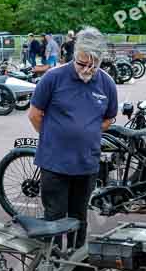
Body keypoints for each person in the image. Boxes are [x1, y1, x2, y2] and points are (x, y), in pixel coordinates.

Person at [28, 26, 118, 249]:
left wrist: (88, 132)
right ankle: (53, 263)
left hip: (86, 164)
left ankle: (76, 264)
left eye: (93, 65)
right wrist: (53, 137)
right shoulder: (53, 78)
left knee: (80, 218)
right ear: (74, 54)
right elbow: (35, 115)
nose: (87, 69)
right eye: (82, 63)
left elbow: (109, 118)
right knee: (55, 218)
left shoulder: (106, 83)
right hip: (54, 163)